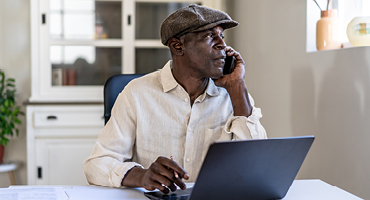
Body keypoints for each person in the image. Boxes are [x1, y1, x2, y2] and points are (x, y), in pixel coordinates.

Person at [83, 4, 267, 194]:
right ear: (177, 46)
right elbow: (97, 164)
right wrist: (142, 175)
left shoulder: (234, 94)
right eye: (210, 36)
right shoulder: (137, 93)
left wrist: (237, 86)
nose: (222, 45)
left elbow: (258, 163)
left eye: (222, 36)